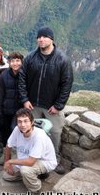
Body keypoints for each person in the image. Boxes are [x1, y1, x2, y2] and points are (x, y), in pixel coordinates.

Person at [18, 26, 73, 174]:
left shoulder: (62, 60)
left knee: (55, 133)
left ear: (51, 39)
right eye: (39, 37)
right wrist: (24, 99)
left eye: (44, 37)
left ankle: (53, 159)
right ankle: (30, 158)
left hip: (51, 106)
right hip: (32, 105)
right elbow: (22, 78)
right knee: (30, 132)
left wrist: (59, 105)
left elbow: (66, 84)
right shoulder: (30, 58)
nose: (41, 39)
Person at [2, 108, 57, 195]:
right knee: (6, 175)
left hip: (44, 161)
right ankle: (37, 175)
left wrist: (10, 162)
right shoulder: (17, 130)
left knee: (25, 170)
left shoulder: (39, 136)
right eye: (19, 122)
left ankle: (35, 191)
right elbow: (8, 145)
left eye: (26, 121)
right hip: (27, 159)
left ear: (32, 122)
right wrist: (7, 163)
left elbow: (31, 162)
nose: (22, 125)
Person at [0, 51, 24, 154]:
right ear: (9, 62)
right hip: (6, 109)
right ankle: (6, 152)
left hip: (20, 109)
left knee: (15, 128)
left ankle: (16, 152)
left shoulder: (25, 75)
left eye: (17, 61)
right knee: (5, 131)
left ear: (21, 62)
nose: (15, 63)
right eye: (12, 61)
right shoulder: (4, 75)